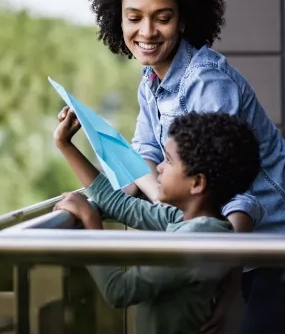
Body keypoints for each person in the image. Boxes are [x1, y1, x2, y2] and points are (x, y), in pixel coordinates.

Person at [71, 0, 285, 334]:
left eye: (163, 17)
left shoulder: (208, 83)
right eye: (134, 17)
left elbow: (234, 190)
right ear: (116, 18)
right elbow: (142, 155)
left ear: (184, 19)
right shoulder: (151, 80)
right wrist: (102, 198)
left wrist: (228, 288)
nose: (147, 31)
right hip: (240, 243)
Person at [53, 110, 261, 334]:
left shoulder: (196, 240)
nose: (159, 167)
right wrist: (65, 144)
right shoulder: (187, 220)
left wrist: (89, 219)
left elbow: (119, 290)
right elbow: (119, 204)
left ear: (197, 183)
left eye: (169, 161)